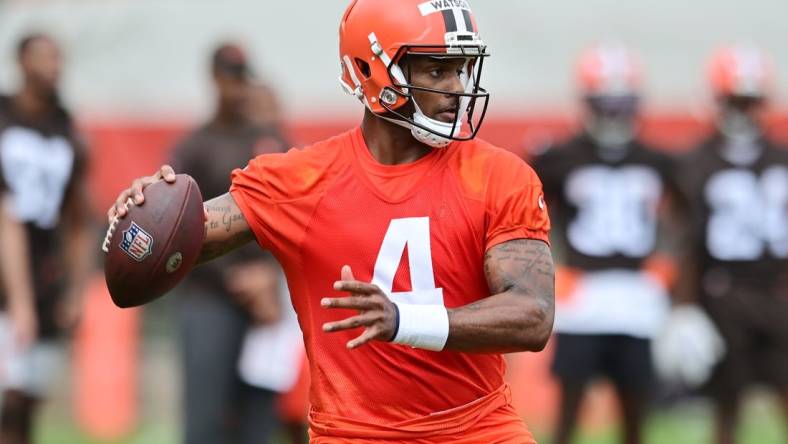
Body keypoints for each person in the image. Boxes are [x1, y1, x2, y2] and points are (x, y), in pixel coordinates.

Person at [108, 1, 555, 442]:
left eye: (461, 69)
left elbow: (532, 315)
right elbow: (175, 242)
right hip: (355, 434)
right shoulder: (300, 180)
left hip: (478, 428)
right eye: (437, 71)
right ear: (372, 71)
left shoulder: (500, 175)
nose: (457, 87)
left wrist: (404, 320)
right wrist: (139, 221)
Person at [531, 44, 680, 444]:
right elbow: (529, 219)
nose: (614, 114)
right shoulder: (557, 158)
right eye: (606, 104)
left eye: (621, 104)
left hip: (636, 294)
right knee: (569, 412)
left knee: (635, 413)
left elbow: (686, 219)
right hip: (582, 293)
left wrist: (668, 268)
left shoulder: (658, 160)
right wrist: (551, 267)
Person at [168, 42, 289, 444]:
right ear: (214, 79)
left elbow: (297, 214)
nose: (236, 89)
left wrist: (271, 275)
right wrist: (240, 276)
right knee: (205, 423)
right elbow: (176, 227)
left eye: (241, 78)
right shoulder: (194, 146)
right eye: (229, 78)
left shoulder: (271, 141)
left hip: (264, 304)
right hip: (209, 297)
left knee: (258, 423)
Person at [677, 44, 788, 444]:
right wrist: (684, 308)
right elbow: (686, 241)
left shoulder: (781, 158)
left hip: (777, 291)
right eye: (735, 102)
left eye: (749, 102)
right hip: (724, 293)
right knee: (727, 404)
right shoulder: (697, 161)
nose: (743, 113)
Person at [0, 33, 92, 444]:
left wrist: (75, 290)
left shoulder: (65, 128)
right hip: (6, 276)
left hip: (45, 276)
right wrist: (18, 300)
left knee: (29, 402)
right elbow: (6, 215)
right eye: (44, 58)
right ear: (21, 62)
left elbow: (78, 218)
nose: (53, 66)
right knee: (10, 400)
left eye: (58, 58)